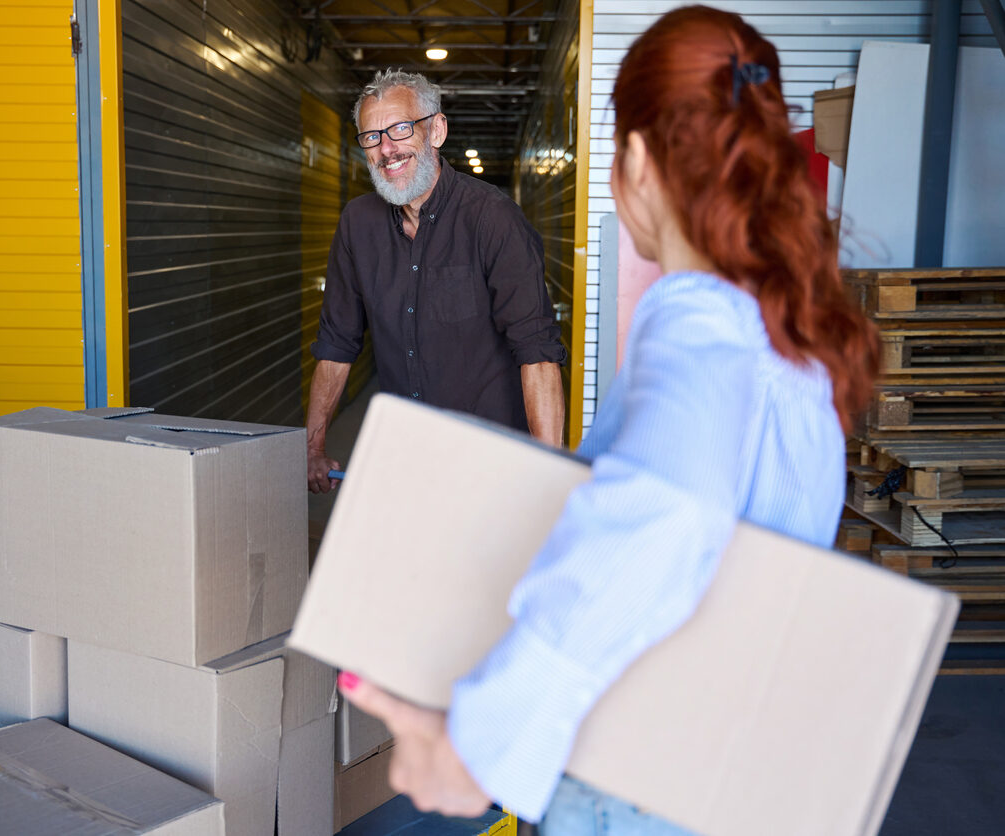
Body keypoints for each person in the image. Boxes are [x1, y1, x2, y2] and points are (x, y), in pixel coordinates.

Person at [339, 6, 879, 834]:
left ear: (632, 159)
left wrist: (479, 739)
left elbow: (666, 510)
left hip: (644, 785)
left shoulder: (696, 319)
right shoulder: (786, 325)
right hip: (730, 766)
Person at [306, 70, 567, 493]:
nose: (387, 148)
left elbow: (537, 351)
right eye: (371, 137)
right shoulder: (358, 224)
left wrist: (547, 474)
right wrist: (312, 450)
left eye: (401, 129)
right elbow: (337, 344)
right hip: (407, 457)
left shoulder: (491, 218)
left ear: (437, 130)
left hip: (492, 460)